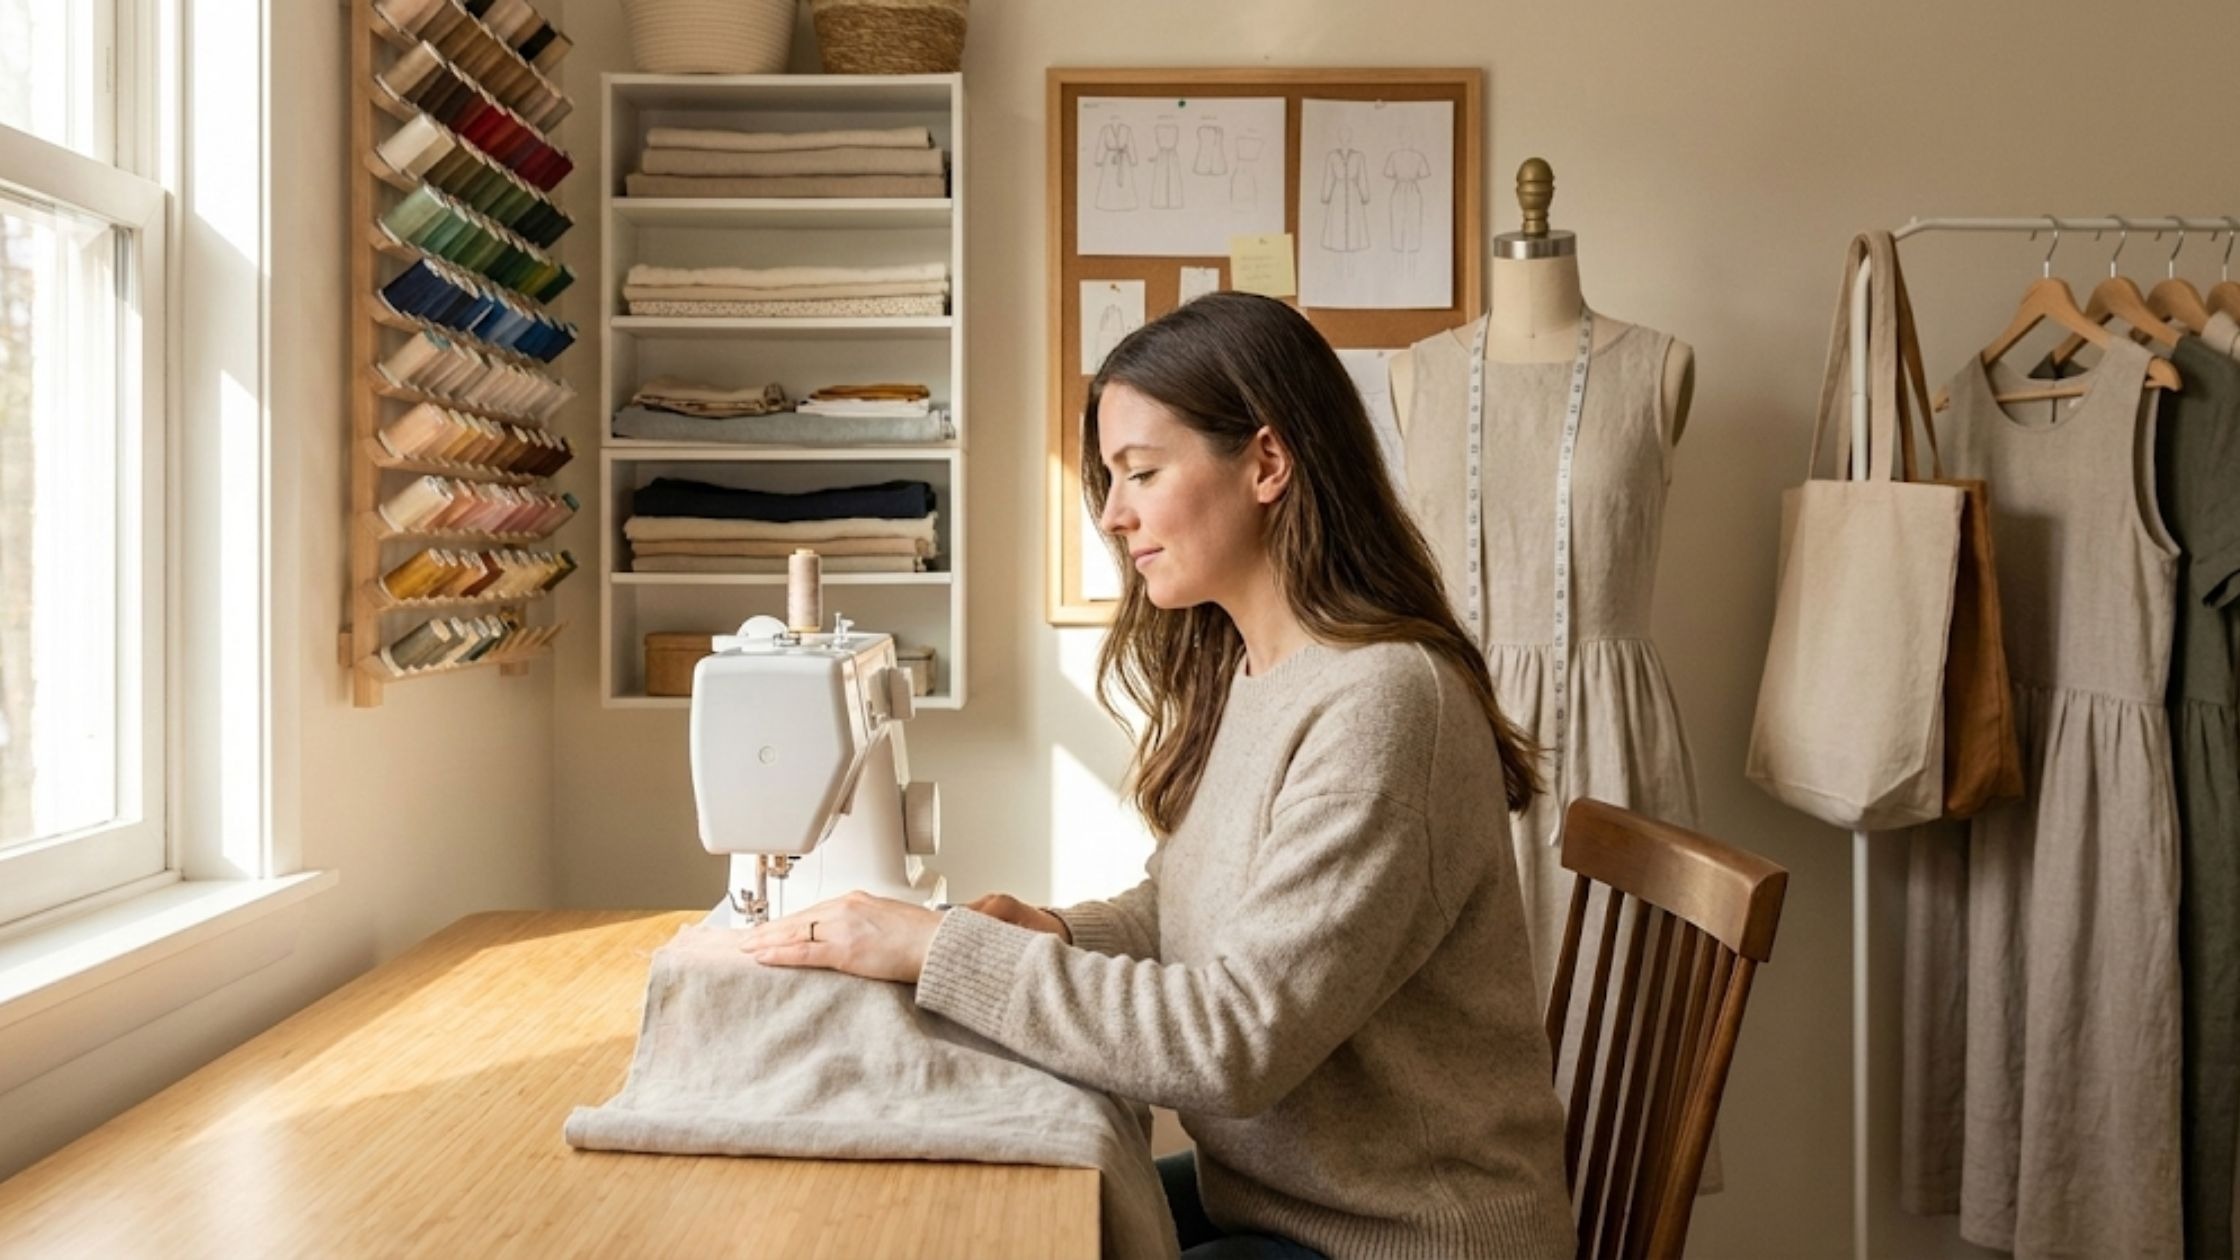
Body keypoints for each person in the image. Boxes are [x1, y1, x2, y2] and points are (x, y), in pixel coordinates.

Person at [743, 292, 1576, 1260]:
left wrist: (939, 953)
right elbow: (1201, 910)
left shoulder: (1382, 703)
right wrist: (1057, 930)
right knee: (992, 1197)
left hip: (1401, 1239)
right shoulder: (1258, 669)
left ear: (1266, 462)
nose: (1112, 512)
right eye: (1110, 477)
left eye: (1140, 471)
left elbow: (1230, 1043)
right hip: (1283, 1201)